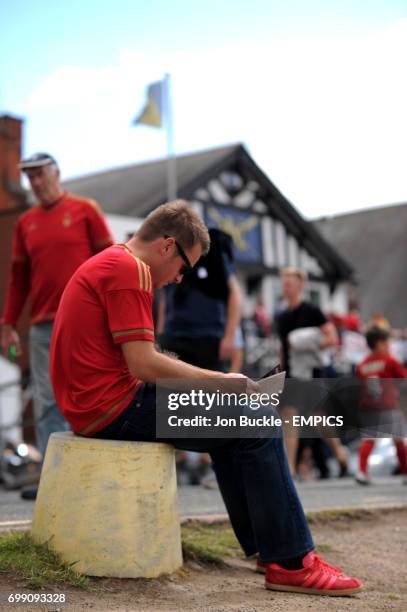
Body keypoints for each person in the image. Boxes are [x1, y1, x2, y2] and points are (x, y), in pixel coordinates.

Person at [50, 201, 361, 596]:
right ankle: (290, 562)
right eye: (184, 267)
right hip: (112, 408)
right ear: (166, 246)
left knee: (239, 421)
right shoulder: (130, 270)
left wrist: (221, 387)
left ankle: (272, 549)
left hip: (100, 403)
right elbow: (145, 364)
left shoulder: (115, 262)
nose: (181, 279)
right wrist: (222, 381)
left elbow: (142, 362)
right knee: (259, 421)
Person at [1, 152, 113, 497]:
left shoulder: (85, 210)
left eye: (40, 174)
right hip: (41, 326)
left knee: (88, 396)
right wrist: (7, 324)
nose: (35, 182)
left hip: (84, 322)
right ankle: (56, 481)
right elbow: (18, 279)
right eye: (29, 176)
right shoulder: (26, 223)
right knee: (48, 402)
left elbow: (110, 261)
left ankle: (92, 476)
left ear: (57, 174)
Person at [157, 228, 241, 484]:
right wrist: (162, 330)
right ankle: (176, 461)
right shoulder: (172, 251)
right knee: (172, 397)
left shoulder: (213, 253)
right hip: (175, 334)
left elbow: (234, 294)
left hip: (207, 335)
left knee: (212, 400)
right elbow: (164, 295)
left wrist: (229, 335)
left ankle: (213, 463)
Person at [276, 267, 349, 478]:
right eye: (284, 283)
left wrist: (306, 345)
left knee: (317, 418)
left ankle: (340, 453)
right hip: (292, 373)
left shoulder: (312, 311)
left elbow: (332, 338)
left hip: (312, 371)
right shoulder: (282, 317)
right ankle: (288, 468)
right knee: (289, 415)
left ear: (300, 285)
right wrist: (280, 373)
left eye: (289, 283)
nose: (286, 287)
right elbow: (283, 348)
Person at [355, 326, 407, 485]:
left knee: (369, 439)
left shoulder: (362, 364)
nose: (389, 346)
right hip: (389, 406)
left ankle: (361, 471)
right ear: (379, 344)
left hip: (369, 407)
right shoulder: (389, 361)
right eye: (387, 343)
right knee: (398, 440)